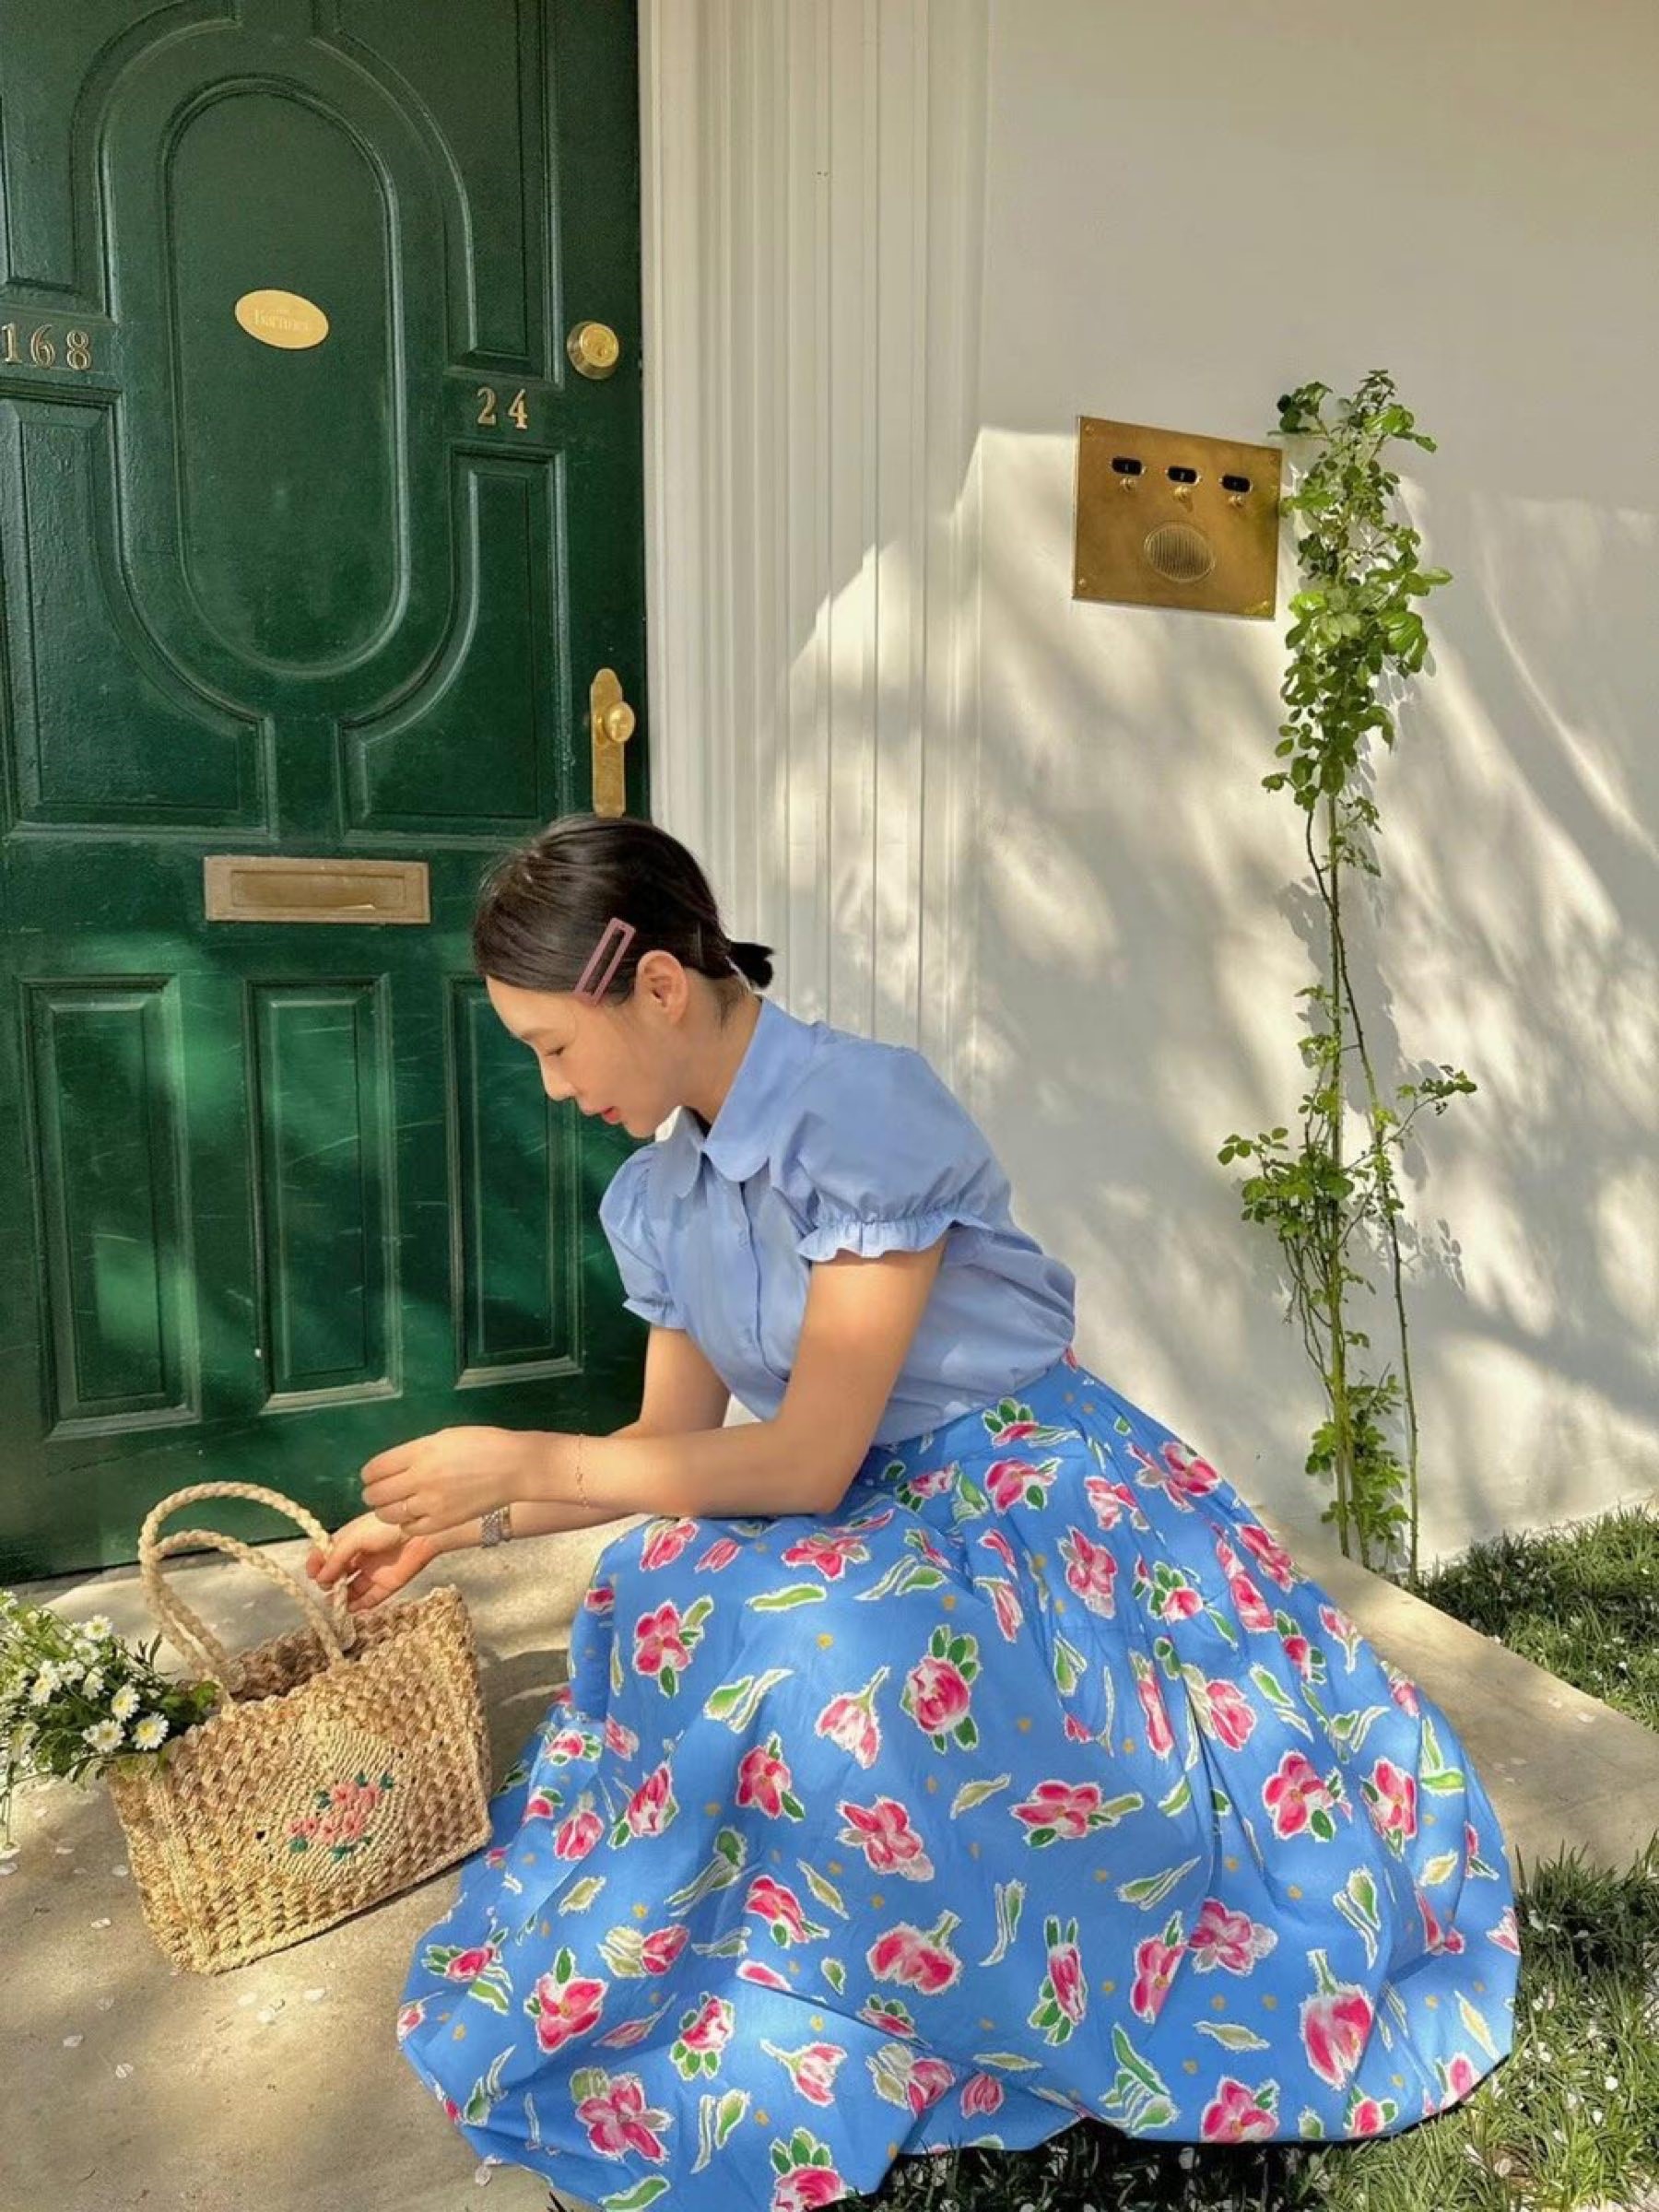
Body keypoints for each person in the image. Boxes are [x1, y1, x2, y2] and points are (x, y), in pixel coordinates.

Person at [306, 812, 1520, 2211]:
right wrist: (453, 1526)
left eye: (555, 1046)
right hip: (876, 1501)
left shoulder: (860, 1117)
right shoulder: (666, 1193)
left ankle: (930, 1966)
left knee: (814, 1653)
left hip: (1026, 1495)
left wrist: (521, 1456)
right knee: (656, 1586)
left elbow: (808, 1461)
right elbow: (662, 1446)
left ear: (657, 987)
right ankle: (768, 1949)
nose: (552, 1084)